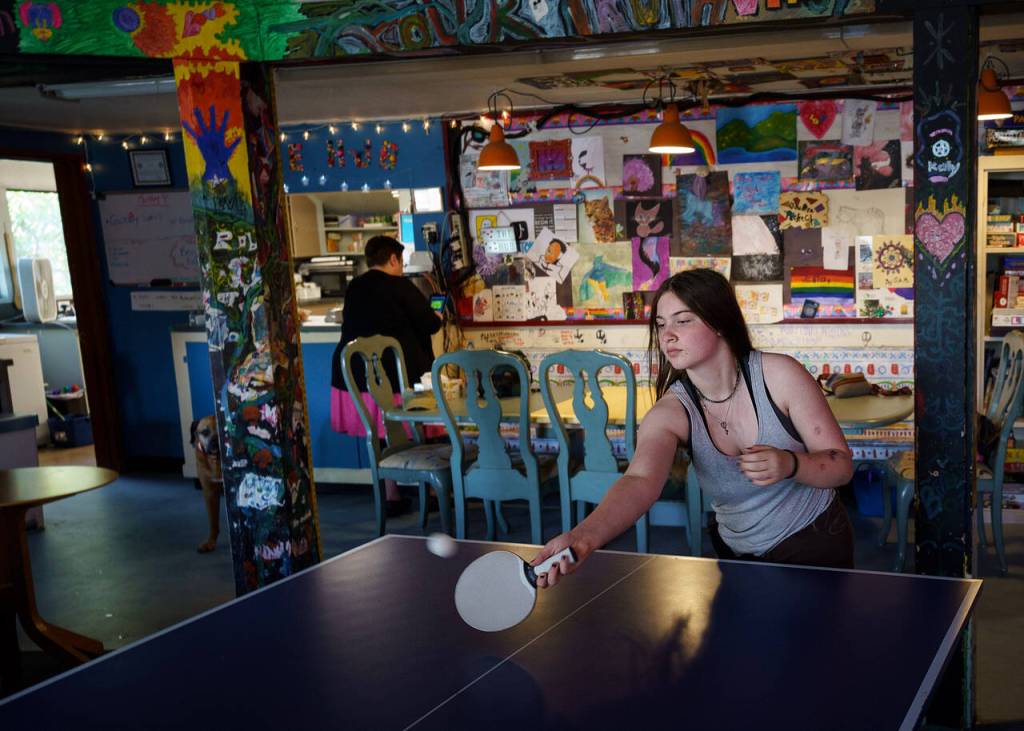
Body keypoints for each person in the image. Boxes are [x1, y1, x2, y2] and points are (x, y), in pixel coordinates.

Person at [532, 269, 856, 586]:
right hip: (736, 552)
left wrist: (791, 463)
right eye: (660, 324)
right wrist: (584, 537)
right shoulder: (671, 411)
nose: (667, 335)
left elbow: (840, 466)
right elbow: (640, 479)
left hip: (813, 541)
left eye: (682, 321)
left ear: (718, 322)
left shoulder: (780, 375)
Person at [331, 235, 443, 516]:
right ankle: (430, 492)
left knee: (381, 433)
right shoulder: (400, 285)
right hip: (398, 375)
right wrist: (439, 316)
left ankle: (391, 496)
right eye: (401, 262)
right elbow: (430, 324)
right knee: (421, 430)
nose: (402, 267)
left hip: (358, 376)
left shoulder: (355, 287)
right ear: (393, 259)